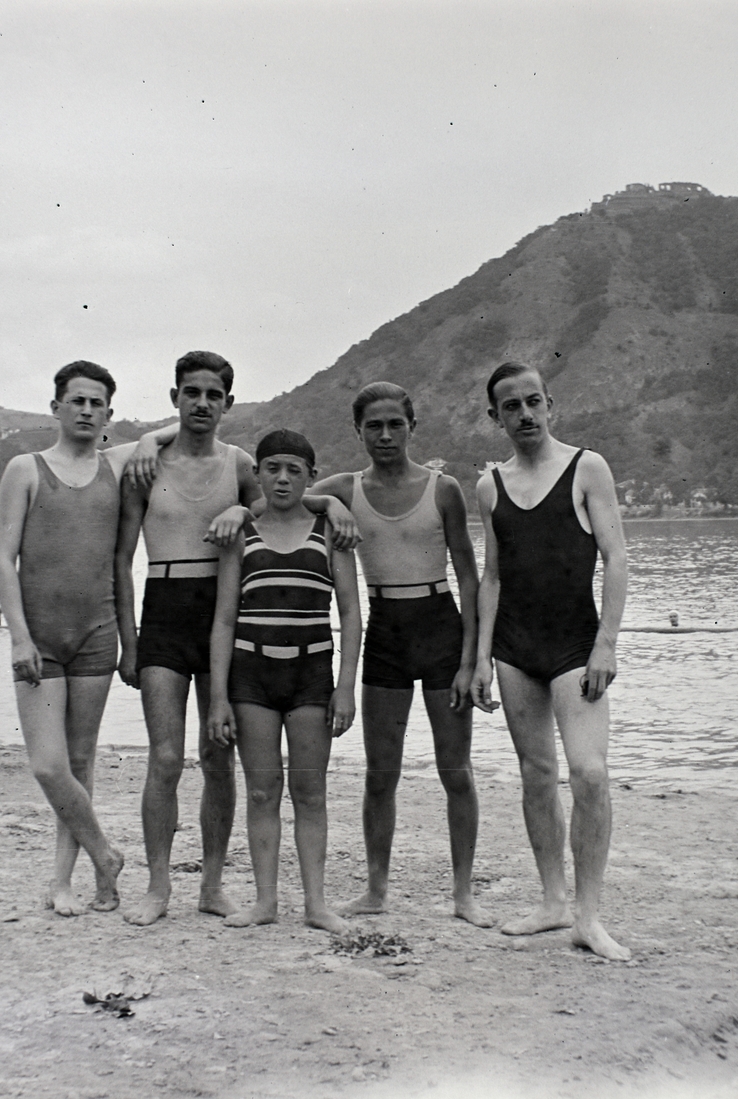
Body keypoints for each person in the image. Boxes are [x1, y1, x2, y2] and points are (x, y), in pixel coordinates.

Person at [115, 352, 359, 927]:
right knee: (167, 757)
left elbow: (283, 502)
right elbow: (121, 559)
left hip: (227, 611)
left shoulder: (241, 462)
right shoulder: (144, 463)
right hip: (166, 607)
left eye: (213, 394)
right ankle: (156, 888)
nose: (202, 402)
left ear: (227, 401)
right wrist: (129, 639)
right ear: (175, 396)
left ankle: (213, 884)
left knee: (218, 756)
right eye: (191, 393)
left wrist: (330, 501)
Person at [293, 382, 491, 926]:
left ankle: (463, 893)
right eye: (373, 426)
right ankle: (376, 889)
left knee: (457, 770)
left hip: (440, 627)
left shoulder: (443, 488)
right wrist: (330, 501)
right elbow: (275, 497)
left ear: (412, 426)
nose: (384, 435)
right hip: (385, 633)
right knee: (382, 773)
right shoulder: (345, 489)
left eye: (394, 424)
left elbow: (470, 579)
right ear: (358, 431)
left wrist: (475, 659)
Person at [470, 362, 631, 961]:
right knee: (536, 774)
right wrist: (483, 656)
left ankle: (589, 916)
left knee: (588, 773)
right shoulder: (490, 485)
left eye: (534, 402)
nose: (525, 415)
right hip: (514, 649)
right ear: (495, 417)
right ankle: (552, 902)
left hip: (573, 645)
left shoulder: (587, 467)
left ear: (550, 404)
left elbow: (615, 557)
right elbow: (492, 576)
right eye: (511, 407)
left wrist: (606, 643)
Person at [205, 430, 361, 932]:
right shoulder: (242, 536)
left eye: (295, 469)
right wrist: (218, 699)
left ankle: (316, 905)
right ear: (258, 474)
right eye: (272, 468)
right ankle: (266, 902)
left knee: (310, 792)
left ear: (312, 476)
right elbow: (225, 620)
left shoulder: (330, 532)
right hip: (252, 677)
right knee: (261, 792)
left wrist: (345, 687)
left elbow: (353, 616)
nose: (283, 478)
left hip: (311, 675)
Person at [0, 360, 125, 917]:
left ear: (110, 414)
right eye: (77, 401)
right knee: (49, 766)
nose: (87, 410)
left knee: (80, 762)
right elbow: (3, 556)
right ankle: (105, 854)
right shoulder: (26, 468)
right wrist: (19, 637)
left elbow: (178, 435)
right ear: (56, 408)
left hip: (97, 634)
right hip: (39, 639)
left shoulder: (117, 464)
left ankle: (64, 882)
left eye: (97, 403)